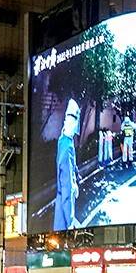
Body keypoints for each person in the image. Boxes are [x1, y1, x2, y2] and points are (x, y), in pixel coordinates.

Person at [54, 98, 81, 231]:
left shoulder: (64, 141)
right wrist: (70, 221)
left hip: (61, 205)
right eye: (71, 121)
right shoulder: (66, 145)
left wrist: (75, 181)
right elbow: (67, 186)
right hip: (63, 213)